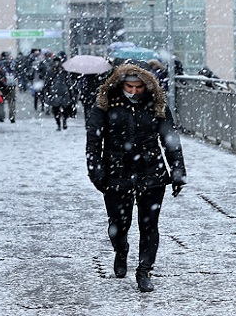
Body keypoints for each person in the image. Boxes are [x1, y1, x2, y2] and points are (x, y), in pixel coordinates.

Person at [85, 63, 187, 292]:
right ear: (120, 84)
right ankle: (121, 251)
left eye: (138, 87)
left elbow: (170, 139)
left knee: (149, 225)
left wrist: (178, 170)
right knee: (118, 225)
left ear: (146, 85)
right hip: (116, 173)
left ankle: (144, 270)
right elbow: (93, 142)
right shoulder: (105, 104)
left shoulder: (156, 104)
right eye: (129, 86)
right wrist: (97, 172)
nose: (133, 91)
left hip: (151, 172)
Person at [43, 56, 75, 130]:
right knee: (63, 108)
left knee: (56, 109)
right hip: (63, 92)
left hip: (55, 92)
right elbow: (69, 82)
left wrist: (47, 91)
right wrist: (71, 92)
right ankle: (63, 121)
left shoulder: (52, 71)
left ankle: (59, 123)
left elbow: (47, 83)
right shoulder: (63, 71)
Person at [0, 51, 18, 123]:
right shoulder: (12, 63)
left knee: (0, 102)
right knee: (12, 101)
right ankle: (12, 117)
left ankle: (1, 117)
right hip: (11, 84)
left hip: (1, 85)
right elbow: (17, 72)